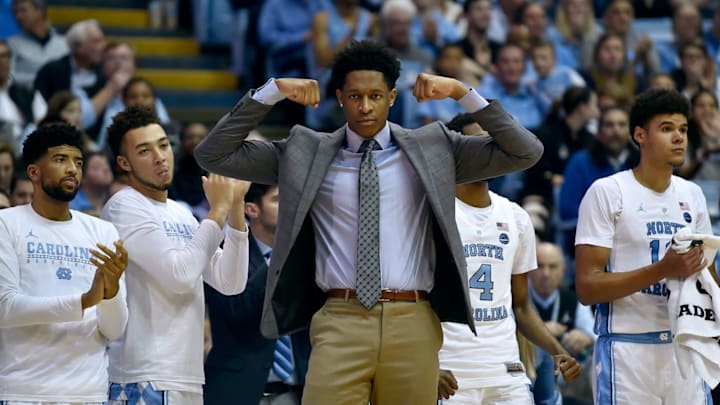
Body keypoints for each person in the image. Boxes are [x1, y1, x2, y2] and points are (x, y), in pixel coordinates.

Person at [194, 39, 543, 405]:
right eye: (355, 96)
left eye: (375, 96)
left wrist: (462, 92)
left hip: (414, 317)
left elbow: (526, 150)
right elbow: (212, 153)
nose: (365, 107)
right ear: (340, 97)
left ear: (392, 97)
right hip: (340, 316)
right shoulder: (304, 150)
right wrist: (272, 92)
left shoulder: (435, 146)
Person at [575, 88, 717, 404]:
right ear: (640, 135)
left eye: (682, 129)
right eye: (667, 129)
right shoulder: (607, 192)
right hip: (628, 351)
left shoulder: (692, 195)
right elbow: (587, 287)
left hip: (684, 349)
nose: (679, 137)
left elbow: (708, 277)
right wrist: (663, 269)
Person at [102, 106, 251, 404]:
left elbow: (230, 282)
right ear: (124, 163)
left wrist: (235, 210)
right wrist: (217, 211)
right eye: (144, 151)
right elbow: (180, 275)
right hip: (144, 374)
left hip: (187, 372)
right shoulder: (124, 206)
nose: (160, 156)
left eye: (163, 145)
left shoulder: (181, 213)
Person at [437, 113, 580, 405]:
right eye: (479, 140)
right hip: (451, 369)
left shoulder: (515, 216)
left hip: (506, 369)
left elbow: (522, 305)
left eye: (493, 141)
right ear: (454, 151)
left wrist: (557, 350)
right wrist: (425, 363)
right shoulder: (435, 212)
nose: (490, 148)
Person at [0, 122, 128, 403]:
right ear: (34, 172)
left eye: (78, 162)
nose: (73, 169)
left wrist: (112, 292)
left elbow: (115, 330)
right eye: (61, 159)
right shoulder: (6, 224)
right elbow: (5, 308)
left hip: (88, 393)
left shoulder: (102, 231)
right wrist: (83, 300)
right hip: (24, 391)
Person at [204, 183, 311, 405]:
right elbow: (236, 310)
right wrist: (276, 262)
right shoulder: (223, 254)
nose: (290, 206)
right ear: (252, 209)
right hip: (238, 390)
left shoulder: (303, 256)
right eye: (278, 199)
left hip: (298, 391)